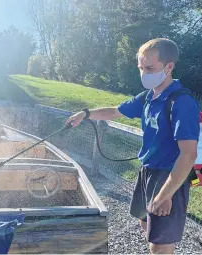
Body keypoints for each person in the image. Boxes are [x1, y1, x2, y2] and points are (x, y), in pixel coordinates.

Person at [66, 38, 200, 254]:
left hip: (169, 176)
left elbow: (188, 154)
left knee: (160, 244)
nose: (144, 74)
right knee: (145, 223)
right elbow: (116, 111)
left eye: (150, 68)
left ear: (169, 67)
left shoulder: (181, 103)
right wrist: (86, 114)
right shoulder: (148, 97)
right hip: (146, 171)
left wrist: (166, 194)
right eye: (141, 68)